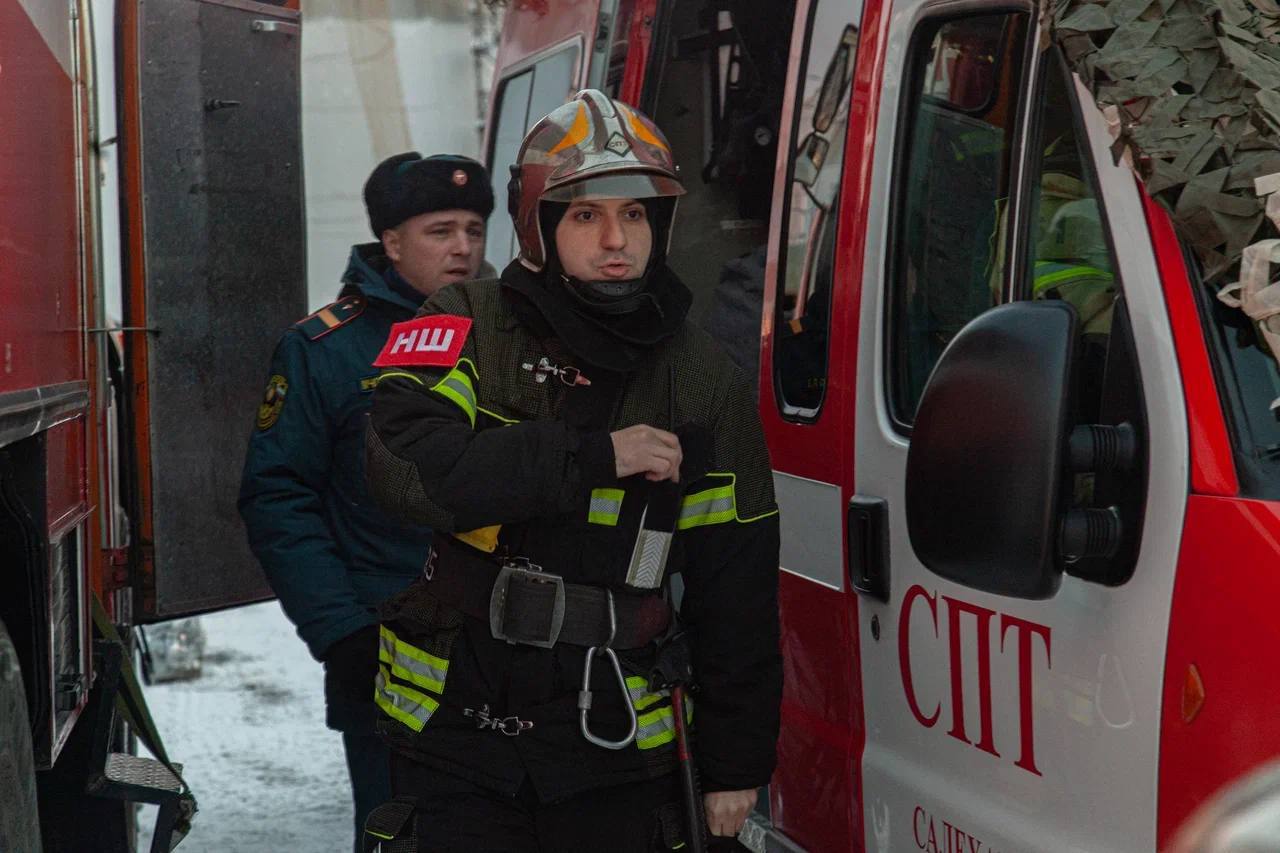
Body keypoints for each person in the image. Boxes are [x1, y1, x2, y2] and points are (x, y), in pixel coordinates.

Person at [362, 90, 781, 852]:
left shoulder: (701, 377)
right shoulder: (462, 319)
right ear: (539, 225)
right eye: (586, 215)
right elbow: (403, 468)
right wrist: (595, 457)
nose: (616, 239)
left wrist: (734, 765)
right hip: (458, 734)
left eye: (635, 214)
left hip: (616, 745)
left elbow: (738, 583)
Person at [237, 152, 494, 851]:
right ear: (392, 242)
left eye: (473, 229)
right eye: (440, 231)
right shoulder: (325, 348)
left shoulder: (514, 337)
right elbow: (278, 498)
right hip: (389, 654)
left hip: (514, 656)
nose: (463, 248)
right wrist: (343, 632)